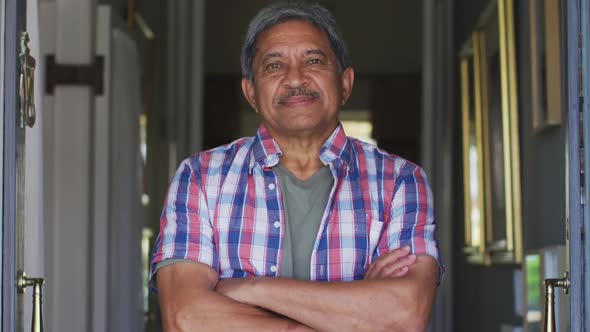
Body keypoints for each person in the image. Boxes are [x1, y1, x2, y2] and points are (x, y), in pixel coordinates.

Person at [150, 2, 443, 331]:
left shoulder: (400, 181)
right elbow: (186, 319)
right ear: (251, 92)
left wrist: (250, 288)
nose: (295, 78)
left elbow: (405, 316)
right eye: (274, 65)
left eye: (314, 60)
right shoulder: (201, 178)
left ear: (345, 83)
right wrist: (354, 317)